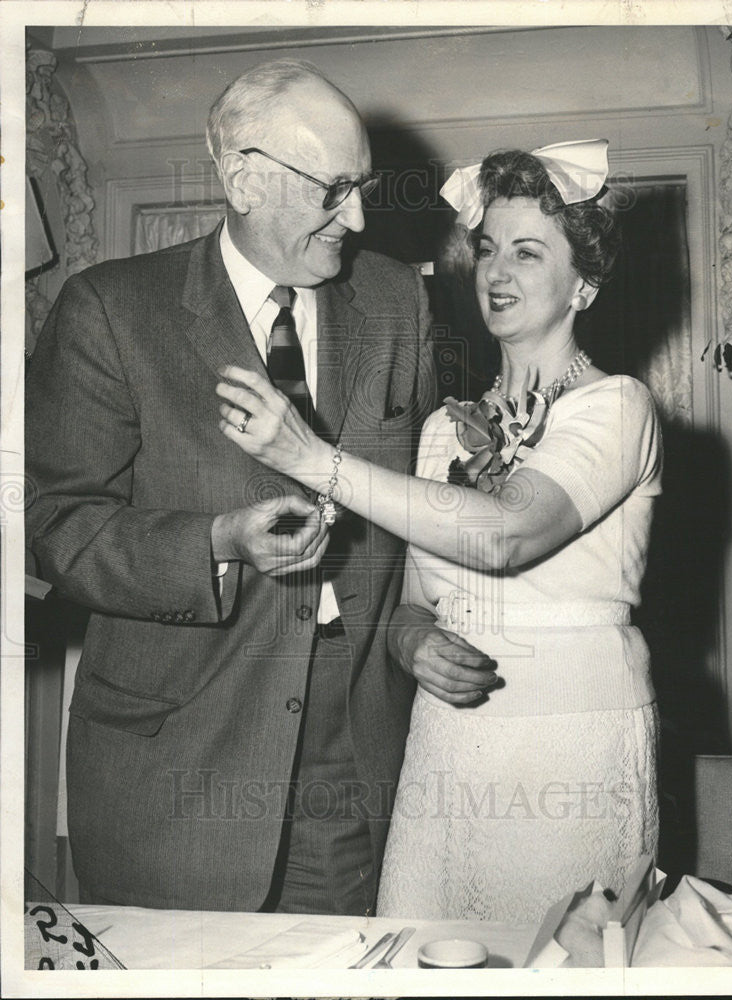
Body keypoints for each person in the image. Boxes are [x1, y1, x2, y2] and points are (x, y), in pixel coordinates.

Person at [215, 139, 663, 924]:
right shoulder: (439, 432)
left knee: (554, 957)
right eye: (486, 248)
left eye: (528, 253)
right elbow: (414, 602)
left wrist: (312, 459)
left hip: (572, 732)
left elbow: (505, 534)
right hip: (448, 739)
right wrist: (413, 642)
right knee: (424, 949)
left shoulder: (616, 407)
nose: (495, 272)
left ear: (583, 285)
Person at [25, 59, 436, 914]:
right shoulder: (109, 310)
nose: (356, 219)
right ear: (244, 178)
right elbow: (54, 523)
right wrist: (217, 541)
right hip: (177, 755)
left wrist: (418, 629)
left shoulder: (398, 302)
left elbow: (420, 513)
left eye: (361, 187)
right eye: (333, 190)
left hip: (351, 746)